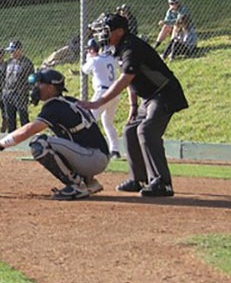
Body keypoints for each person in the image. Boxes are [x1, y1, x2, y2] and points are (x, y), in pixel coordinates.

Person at [79, 12, 189, 198]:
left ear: (120, 31)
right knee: (131, 130)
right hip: (150, 97)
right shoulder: (121, 47)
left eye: (105, 30)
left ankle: (162, 183)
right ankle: (139, 179)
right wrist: (134, 107)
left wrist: (99, 101)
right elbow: (132, 80)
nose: (101, 34)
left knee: (146, 130)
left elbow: (126, 78)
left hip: (165, 93)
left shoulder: (131, 47)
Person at [0, 69, 110, 200]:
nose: (35, 88)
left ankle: (77, 186)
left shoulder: (54, 107)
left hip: (92, 157)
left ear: (51, 87)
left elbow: (29, 130)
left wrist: (0, 144)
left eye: (40, 84)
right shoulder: (69, 101)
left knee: (40, 144)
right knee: (58, 141)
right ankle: (89, 181)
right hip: (95, 155)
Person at [80, 38, 121, 158]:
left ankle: (90, 146)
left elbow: (84, 70)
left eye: (89, 50)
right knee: (108, 122)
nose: (88, 52)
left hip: (102, 93)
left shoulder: (94, 60)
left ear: (93, 50)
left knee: (90, 119)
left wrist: (89, 58)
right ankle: (115, 150)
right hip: (114, 93)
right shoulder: (109, 58)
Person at [1, 40, 34, 132]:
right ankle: (12, 139)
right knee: (10, 119)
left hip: (20, 94)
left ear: (19, 50)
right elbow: (5, 76)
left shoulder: (26, 63)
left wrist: (28, 90)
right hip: (8, 93)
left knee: (23, 117)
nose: (11, 53)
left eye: (13, 50)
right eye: (10, 51)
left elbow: (31, 79)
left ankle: (26, 138)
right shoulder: (9, 62)